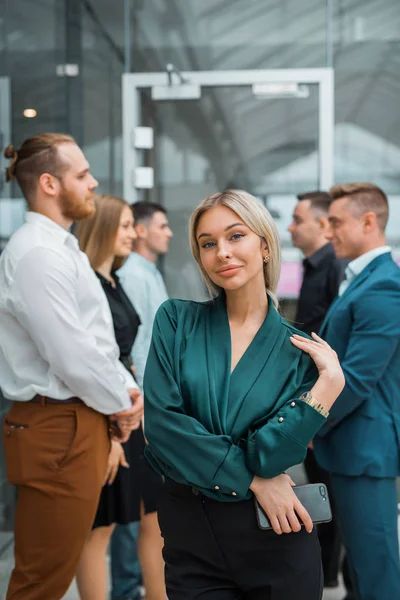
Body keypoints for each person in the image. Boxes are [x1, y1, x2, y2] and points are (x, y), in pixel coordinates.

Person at [143, 189, 345, 599]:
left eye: (236, 236)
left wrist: (326, 389)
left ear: (265, 246)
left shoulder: (299, 352)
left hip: (275, 537)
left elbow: (269, 454)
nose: (222, 253)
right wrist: (254, 479)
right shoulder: (176, 322)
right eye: (208, 243)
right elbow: (163, 428)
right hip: (191, 534)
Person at [0, 134, 143, 600]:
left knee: (55, 570)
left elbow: (94, 341)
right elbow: (72, 356)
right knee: (42, 581)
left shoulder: (62, 247)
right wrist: (122, 402)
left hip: (76, 420)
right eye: (82, 175)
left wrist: (123, 391)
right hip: (59, 423)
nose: (93, 183)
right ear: (49, 183)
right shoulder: (38, 254)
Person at [75, 195, 166, 600]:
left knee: (152, 515)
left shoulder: (113, 280)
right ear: (105, 228)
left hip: (130, 409)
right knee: (102, 525)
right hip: (109, 414)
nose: (133, 233)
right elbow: (90, 359)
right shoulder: (88, 284)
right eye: (126, 225)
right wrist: (112, 431)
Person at [314, 182, 400, 600]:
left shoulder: (384, 285)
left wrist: (309, 425)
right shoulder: (362, 279)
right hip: (351, 446)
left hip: (365, 448)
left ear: (369, 221)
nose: (328, 232)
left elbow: (358, 377)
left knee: (377, 568)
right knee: (364, 572)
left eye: (335, 222)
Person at [110, 201, 172, 600]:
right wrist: (148, 407)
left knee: (146, 509)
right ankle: (128, 588)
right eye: (162, 226)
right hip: (139, 404)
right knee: (131, 510)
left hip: (149, 402)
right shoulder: (133, 274)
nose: (168, 233)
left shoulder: (148, 272)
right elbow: (134, 347)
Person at [288, 190, 346, 588]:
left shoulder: (335, 270)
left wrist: (316, 414)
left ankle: (331, 575)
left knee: (334, 498)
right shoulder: (311, 268)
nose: (289, 227)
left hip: (323, 406)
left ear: (322, 225)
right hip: (312, 405)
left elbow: (332, 347)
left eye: (297, 219)